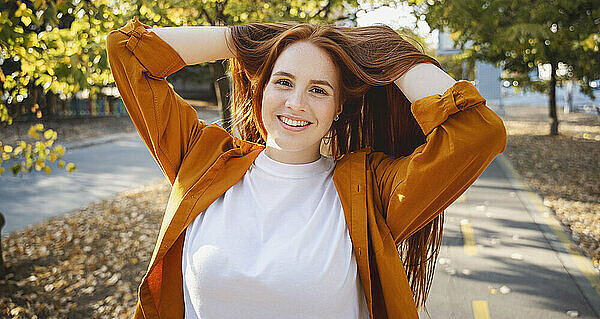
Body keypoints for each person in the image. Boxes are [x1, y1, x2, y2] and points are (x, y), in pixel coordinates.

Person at [106, 17, 507, 319]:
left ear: (338, 111)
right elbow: (128, 51)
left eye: (318, 90)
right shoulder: (203, 157)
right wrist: (242, 39)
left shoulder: (369, 190)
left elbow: (476, 133)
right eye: (283, 82)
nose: (296, 103)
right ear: (261, 91)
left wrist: (393, 55)